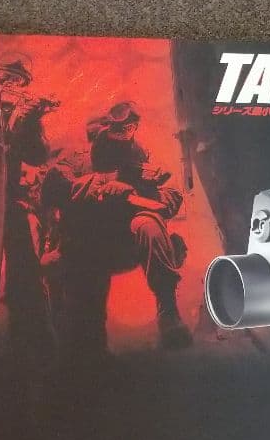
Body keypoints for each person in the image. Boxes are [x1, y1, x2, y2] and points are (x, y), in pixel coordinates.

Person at [41, 100, 191, 357]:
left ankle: (168, 312)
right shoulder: (76, 158)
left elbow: (173, 195)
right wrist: (99, 186)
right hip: (85, 248)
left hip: (127, 245)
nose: (118, 148)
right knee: (84, 340)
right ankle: (85, 339)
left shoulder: (140, 156)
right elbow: (54, 188)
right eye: (112, 138)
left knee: (149, 224)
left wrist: (137, 191)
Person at [0, 56, 58, 360]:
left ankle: (30, 340)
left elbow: (38, 155)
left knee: (25, 265)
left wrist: (31, 121)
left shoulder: (22, 115)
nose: (12, 86)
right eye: (7, 79)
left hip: (11, 200)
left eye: (18, 82)